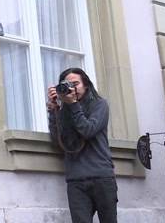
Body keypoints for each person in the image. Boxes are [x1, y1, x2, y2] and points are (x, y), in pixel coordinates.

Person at [46, 67, 117, 223]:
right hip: (76, 180)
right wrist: (53, 111)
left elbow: (88, 130)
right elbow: (58, 141)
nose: (72, 88)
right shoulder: (65, 109)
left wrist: (72, 104)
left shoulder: (100, 105)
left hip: (102, 177)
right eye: (68, 84)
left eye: (75, 83)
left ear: (85, 84)